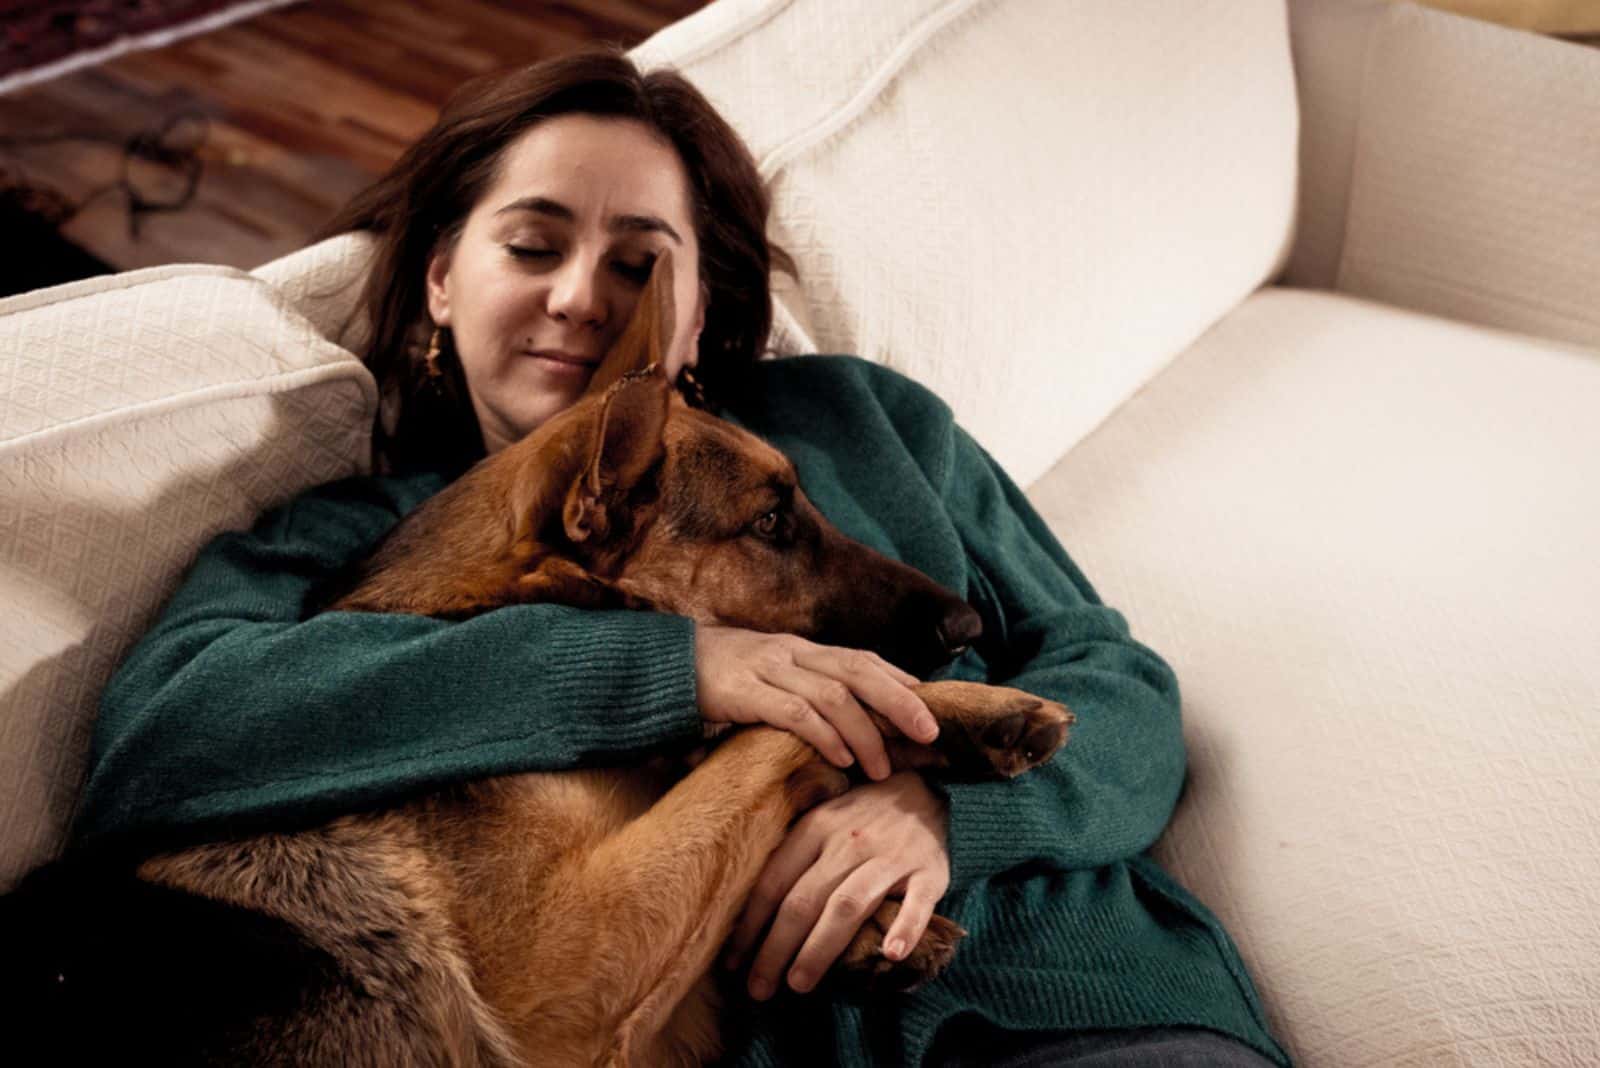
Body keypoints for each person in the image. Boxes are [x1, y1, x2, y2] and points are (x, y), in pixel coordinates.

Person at [75, 50, 1289, 1067]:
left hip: (1067, 993)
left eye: (639, 263)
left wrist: (935, 812)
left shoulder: (864, 420)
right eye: (533, 244)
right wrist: (672, 667)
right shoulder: (352, 534)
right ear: (442, 277)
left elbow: (1119, 686)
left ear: (695, 307)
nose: (579, 300)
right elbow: (159, 739)